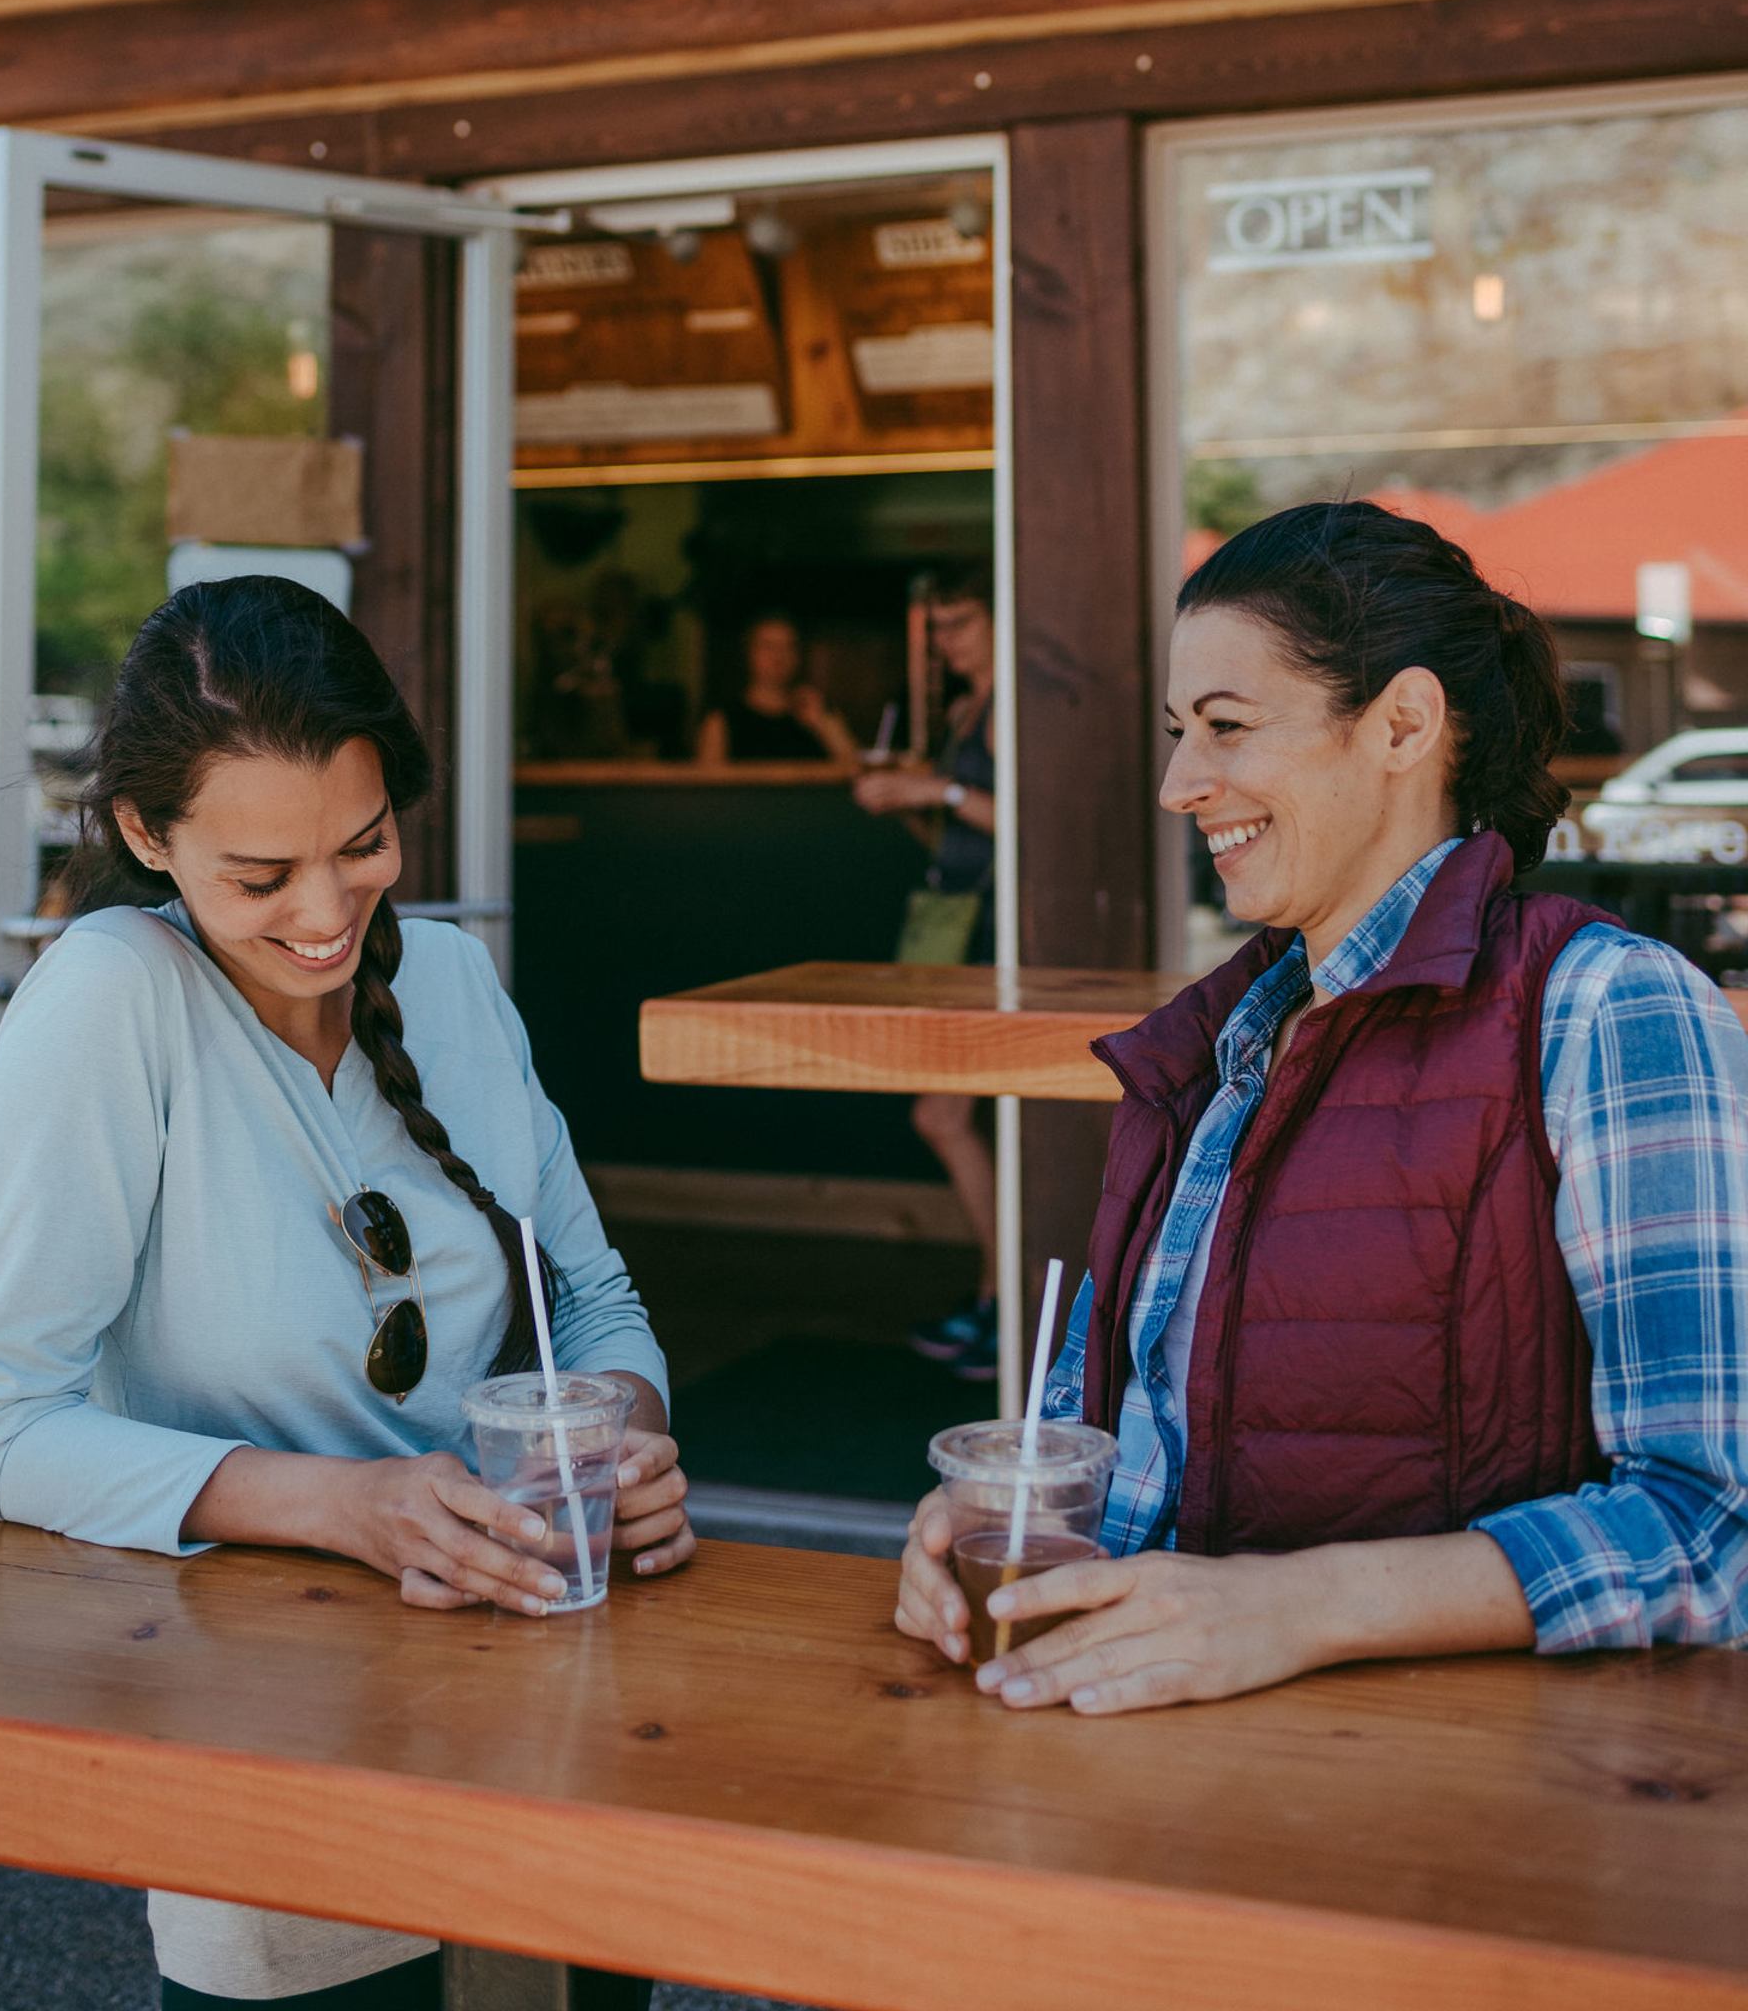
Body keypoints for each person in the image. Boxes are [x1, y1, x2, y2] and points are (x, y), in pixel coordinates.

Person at [0, 577, 692, 2011]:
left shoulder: (456, 984)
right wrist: (346, 1505)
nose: (328, 910)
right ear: (148, 836)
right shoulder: (108, 1001)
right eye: (261, 876)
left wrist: (619, 1431)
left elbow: (591, 1296)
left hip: (539, 1678)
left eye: (364, 845)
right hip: (259, 1729)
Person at [897, 501, 1748, 1709]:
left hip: (1445, 1812)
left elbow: (1710, 1528)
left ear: (1404, 723)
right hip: (1158, 1752)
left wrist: (1297, 1608)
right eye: (1181, 733)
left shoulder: (1610, 1009)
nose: (1180, 784)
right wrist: (993, 1524)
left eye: (1228, 728)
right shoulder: (1224, 1036)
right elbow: (1117, 1446)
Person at [853, 568, 999, 1380]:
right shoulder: (963, 708)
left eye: (960, 622)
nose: (948, 640)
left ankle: (1005, 1300)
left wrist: (935, 785)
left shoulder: (1011, 703)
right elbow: (959, 837)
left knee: (942, 1116)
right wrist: (909, 801)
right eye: (937, 627)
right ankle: (996, 1296)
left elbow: (1023, 816)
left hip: (995, 937)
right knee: (947, 1116)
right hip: (957, 924)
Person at [696, 610, 857, 767]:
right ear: (749, 653)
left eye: (788, 647)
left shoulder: (817, 712)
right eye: (768, 646)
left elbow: (858, 770)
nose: (778, 656)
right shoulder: (722, 720)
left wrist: (823, 724)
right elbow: (708, 785)